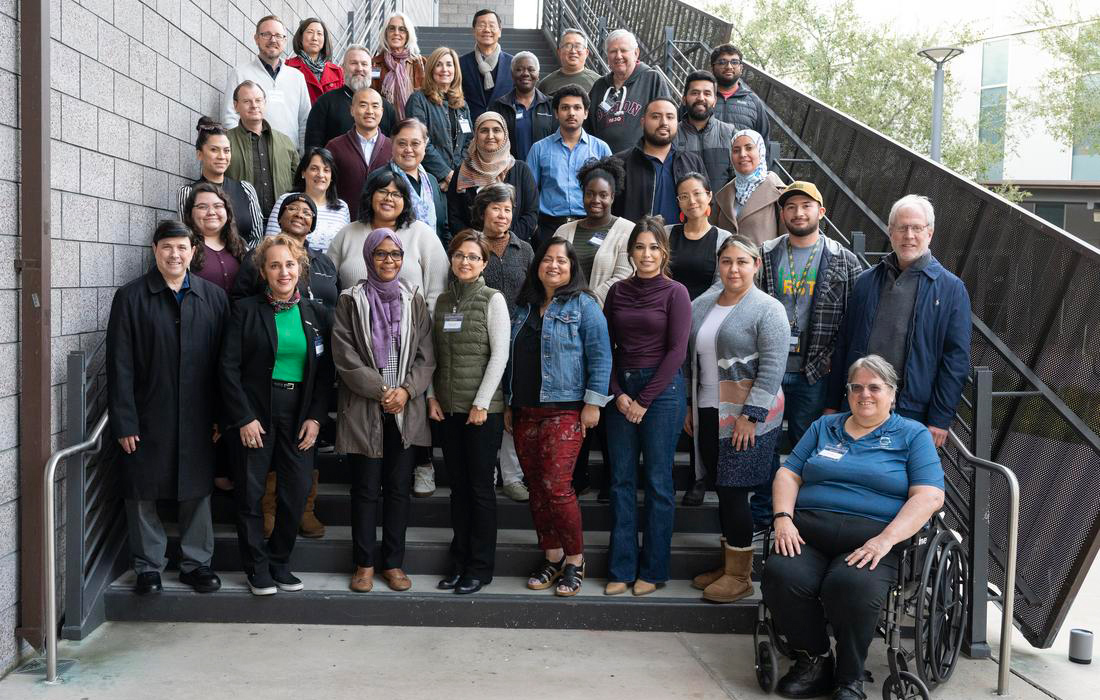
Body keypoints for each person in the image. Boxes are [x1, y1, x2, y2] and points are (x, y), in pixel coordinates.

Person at [762, 355, 945, 700]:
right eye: (856, 387)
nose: (865, 394)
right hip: (809, 533)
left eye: (875, 387)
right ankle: (814, 661)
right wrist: (783, 518)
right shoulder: (823, 428)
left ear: (892, 394)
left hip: (873, 539)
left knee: (850, 585)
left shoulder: (912, 435)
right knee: (782, 575)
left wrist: (884, 541)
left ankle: (850, 677)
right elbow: (788, 473)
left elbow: (930, 496)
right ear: (847, 393)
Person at [107, 220, 229, 595]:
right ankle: (148, 567)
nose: (175, 255)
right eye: (167, 248)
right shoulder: (131, 297)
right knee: (142, 490)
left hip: (198, 412)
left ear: (193, 252)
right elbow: (120, 363)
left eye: (182, 247)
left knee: (196, 489)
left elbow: (226, 363)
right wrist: (124, 421)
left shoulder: (213, 297)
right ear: (154, 251)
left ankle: (196, 564)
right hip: (147, 410)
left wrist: (221, 417)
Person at [219, 234, 334, 595]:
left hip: (300, 413)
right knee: (251, 494)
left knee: (296, 492)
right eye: (275, 265)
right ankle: (257, 567)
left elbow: (324, 373)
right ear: (264, 271)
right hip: (257, 413)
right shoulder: (245, 310)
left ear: (300, 268)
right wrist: (243, 418)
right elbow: (227, 369)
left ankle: (280, 561)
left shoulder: (316, 313)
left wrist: (316, 418)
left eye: (289, 264)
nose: (283, 271)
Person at [749, 181, 863, 525]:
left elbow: (853, 319)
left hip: (815, 369)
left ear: (821, 212)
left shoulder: (845, 260)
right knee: (762, 443)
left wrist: (832, 363)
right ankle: (763, 513)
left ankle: (800, 515)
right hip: (769, 366)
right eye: (791, 207)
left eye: (806, 206)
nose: (798, 213)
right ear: (781, 214)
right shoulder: (765, 253)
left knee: (807, 445)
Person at [506, 237, 612, 597]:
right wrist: (508, 403)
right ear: (537, 266)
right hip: (524, 410)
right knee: (536, 488)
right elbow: (510, 359)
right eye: (547, 260)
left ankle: (575, 560)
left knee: (557, 486)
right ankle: (551, 556)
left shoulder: (584, 305)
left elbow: (600, 356)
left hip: (565, 410)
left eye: (561, 261)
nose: (554, 265)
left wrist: (593, 403)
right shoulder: (523, 307)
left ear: (572, 269)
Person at [331, 228, 436, 593]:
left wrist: (406, 392)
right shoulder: (350, 299)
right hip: (365, 408)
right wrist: (382, 391)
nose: (388, 260)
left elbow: (426, 356)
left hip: (404, 411)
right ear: (368, 256)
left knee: (396, 489)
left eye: (395, 254)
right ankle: (363, 564)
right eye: (381, 254)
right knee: (364, 489)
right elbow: (344, 357)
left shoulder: (413, 299)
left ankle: (392, 562)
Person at [685, 235, 789, 603]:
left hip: (746, 417)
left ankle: (741, 575)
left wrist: (752, 416)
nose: (733, 269)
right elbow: (690, 359)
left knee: (733, 493)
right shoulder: (703, 304)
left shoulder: (767, 309)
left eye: (742, 262)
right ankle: (729, 561)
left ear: (756, 266)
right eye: (726, 261)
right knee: (720, 488)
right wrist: (689, 406)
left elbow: (774, 368)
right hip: (708, 409)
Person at [826, 194, 972, 449]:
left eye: (917, 228)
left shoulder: (950, 288)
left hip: (912, 412)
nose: (909, 235)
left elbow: (956, 360)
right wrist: (831, 403)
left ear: (930, 233)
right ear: (890, 232)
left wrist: (940, 418)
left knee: (900, 483)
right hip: (859, 402)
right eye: (902, 228)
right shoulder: (866, 281)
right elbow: (844, 344)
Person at [602, 217, 691, 597]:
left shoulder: (676, 293)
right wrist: (618, 393)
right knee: (621, 481)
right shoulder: (617, 292)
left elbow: (677, 351)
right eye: (640, 247)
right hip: (621, 390)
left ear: (664, 252)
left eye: (654, 247)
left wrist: (644, 399)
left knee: (657, 482)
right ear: (630, 252)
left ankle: (652, 570)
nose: (647, 254)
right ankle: (621, 568)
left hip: (663, 391)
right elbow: (604, 349)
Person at [428, 230, 510, 595]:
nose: (465, 261)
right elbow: (432, 355)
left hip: (482, 412)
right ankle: (459, 561)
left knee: (480, 491)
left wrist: (481, 402)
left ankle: (480, 567)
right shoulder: (443, 301)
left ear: (485, 263)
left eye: (473, 257)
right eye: (460, 255)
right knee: (457, 490)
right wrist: (431, 396)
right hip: (449, 410)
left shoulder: (493, 300)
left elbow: (500, 355)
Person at [475, 184, 534, 502]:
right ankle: (489, 472)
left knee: (513, 407)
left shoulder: (523, 249)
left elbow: (535, 295)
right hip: (476, 342)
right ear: (483, 210)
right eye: (496, 208)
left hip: (516, 341)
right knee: (485, 406)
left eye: (508, 209)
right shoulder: (469, 244)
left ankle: (511, 475)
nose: (502, 215)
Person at [327, 170, 448, 312]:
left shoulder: (423, 235)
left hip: (412, 331)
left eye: (396, 194)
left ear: (405, 201)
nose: (388, 198)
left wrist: (425, 330)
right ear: (370, 196)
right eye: (382, 191)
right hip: (353, 330)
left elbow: (438, 293)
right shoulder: (346, 234)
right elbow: (327, 286)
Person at [526, 85, 612, 245]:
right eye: (565, 108)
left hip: (591, 223)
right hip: (549, 227)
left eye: (577, 107)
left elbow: (611, 193)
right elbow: (529, 192)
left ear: (585, 113)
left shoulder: (601, 149)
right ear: (556, 113)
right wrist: (535, 228)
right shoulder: (539, 148)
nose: (571, 113)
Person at [231, 193, 339, 312]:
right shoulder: (258, 255)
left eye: (307, 213)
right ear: (280, 218)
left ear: (311, 226)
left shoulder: (325, 262)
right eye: (292, 209)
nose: (299, 215)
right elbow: (239, 300)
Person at [552, 155, 632, 305]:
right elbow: (551, 269)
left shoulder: (627, 231)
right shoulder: (563, 231)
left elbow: (622, 277)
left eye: (603, 195)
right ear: (583, 196)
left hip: (604, 315)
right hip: (562, 312)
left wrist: (585, 305)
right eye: (590, 194)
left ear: (612, 197)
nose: (596, 200)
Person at [447, 111, 539, 242]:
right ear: (476, 135)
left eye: (496, 130)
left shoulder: (521, 170)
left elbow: (531, 213)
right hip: (473, 250)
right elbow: (454, 216)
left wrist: (506, 242)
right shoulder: (463, 171)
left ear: (505, 135)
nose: (490, 136)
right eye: (484, 130)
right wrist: (477, 243)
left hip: (514, 247)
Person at [223, 15, 310, 151]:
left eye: (278, 36)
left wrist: (303, 158)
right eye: (266, 35)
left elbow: (305, 121)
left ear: (285, 41)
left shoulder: (297, 77)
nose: (273, 40)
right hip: (251, 155)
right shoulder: (240, 73)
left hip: (289, 158)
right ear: (256, 38)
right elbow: (230, 116)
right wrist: (240, 151)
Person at [613, 97, 706, 224]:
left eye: (670, 117)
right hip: (634, 241)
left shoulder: (692, 162)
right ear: (643, 122)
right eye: (656, 117)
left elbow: (705, 204)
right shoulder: (620, 163)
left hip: (682, 241)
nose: (664, 123)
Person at [177, 117, 264, 248]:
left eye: (226, 150)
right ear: (199, 154)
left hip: (245, 263)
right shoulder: (188, 192)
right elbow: (186, 239)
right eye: (214, 150)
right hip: (204, 264)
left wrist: (245, 260)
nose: (222, 156)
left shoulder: (246, 189)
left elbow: (257, 236)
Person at [587, 29, 673, 154]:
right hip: (603, 162)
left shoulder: (652, 79)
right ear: (607, 57)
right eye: (613, 51)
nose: (618, 56)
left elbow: (666, 121)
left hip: (641, 161)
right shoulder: (599, 86)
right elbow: (588, 126)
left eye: (623, 50)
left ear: (636, 53)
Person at [226, 81, 300, 218]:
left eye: (258, 100)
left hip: (280, 224)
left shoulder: (285, 142)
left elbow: (299, 183)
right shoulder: (225, 141)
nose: (254, 105)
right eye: (247, 101)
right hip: (241, 224)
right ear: (236, 106)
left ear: (264, 103)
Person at [305, 44, 399, 152]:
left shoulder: (385, 107)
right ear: (343, 67)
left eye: (364, 64)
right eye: (354, 63)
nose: (359, 68)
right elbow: (313, 149)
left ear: (371, 68)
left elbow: (394, 149)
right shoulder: (325, 103)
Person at [370, 118, 449, 245]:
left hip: (433, 257)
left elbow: (443, 227)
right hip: (392, 258)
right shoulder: (378, 178)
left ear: (425, 145)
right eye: (402, 143)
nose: (408, 149)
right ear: (392, 145)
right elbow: (367, 222)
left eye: (415, 143)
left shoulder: (432, 181)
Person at [405, 47, 473, 192]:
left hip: (458, 182)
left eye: (449, 64)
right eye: (439, 64)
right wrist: (446, 175)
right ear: (431, 69)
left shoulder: (462, 104)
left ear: (455, 70)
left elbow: (469, 141)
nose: (444, 69)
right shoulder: (418, 100)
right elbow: (420, 141)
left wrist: (457, 175)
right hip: (430, 181)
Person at [325, 87, 394, 221]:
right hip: (344, 222)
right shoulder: (335, 146)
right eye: (363, 105)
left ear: (382, 111)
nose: (369, 111)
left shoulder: (392, 147)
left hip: (384, 225)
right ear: (352, 110)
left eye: (375, 106)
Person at [263, 147, 351, 253]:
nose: (321, 175)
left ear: (331, 176)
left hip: (329, 268)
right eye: (314, 169)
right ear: (303, 172)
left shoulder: (342, 207)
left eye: (326, 170)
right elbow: (270, 242)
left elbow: (346, 248)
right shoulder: (286, 200)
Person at [711, 129, 785, 246]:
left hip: (763, 263)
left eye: (749, 148)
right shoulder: (723, 195)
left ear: (761, 151)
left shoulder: (780, 192)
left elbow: (787, 241)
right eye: (736, 150)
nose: (742, 154)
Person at [675, 70, 737, 191]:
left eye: (707, 93)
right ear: (684, 99)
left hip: (722, 209)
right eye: (695, 93)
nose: (701, 98)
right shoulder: (672, 135)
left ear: (714, 101)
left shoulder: (730, 133)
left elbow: (739, 178)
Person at [488, 52, 555, 161]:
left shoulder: (551, 106)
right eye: (519, 69)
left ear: (538, 75)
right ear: (512, 74)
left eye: (531, 69)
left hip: (545, 173)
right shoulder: (498, 107)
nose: (525, 73)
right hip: (510, 172)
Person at [183, 182, 246, 293]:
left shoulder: (241, 244)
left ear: (227, 211)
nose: (211, 212)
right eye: (202, 207)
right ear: (190, 213)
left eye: (218, 206)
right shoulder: (183, 247)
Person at [459, 9, 514, 121]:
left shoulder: (513, 64)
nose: (487, 30)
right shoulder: (461, 63)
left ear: (500, 31)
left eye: (492, 25)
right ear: (474, 31)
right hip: (470, 129)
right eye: (482, 25)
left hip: (504, 129)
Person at [371, 13, 427, 121]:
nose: (396, 33)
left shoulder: (420, 63)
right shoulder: (375, 64)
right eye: (392, 28)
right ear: (386, 33)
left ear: (408, 35)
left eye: (402, 29)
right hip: (384, 125)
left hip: (414, 124)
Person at [708, 44, 770, 141]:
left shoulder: (753, 101)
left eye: (734, 62)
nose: (729, 66)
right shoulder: (700, 98)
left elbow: (762, 142)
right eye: (722, 62)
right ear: (712, 68)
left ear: (741, 68)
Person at [285, 18, 344, 103]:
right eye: (310, 32)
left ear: (325, 39)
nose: (314, 38)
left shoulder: (337, 72)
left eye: (319, 33)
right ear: (300, 37)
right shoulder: (288, 66)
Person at [539, 28, 600, 94]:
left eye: (578, 46)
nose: (573, 51)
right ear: (559, 52)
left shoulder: (598, 82)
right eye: (567, 46)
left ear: (586, 53)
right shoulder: (546, 84)